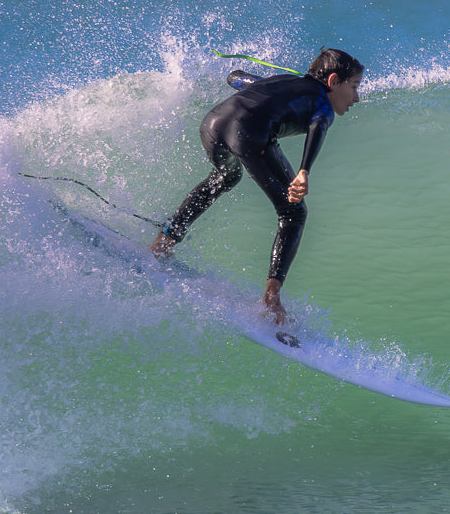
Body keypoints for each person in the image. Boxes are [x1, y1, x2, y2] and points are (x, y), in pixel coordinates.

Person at [150, 48, 365, 325]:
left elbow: (236, 77)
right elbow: (318, 127)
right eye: (354, 86)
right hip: (248, 133)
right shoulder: (322, 104)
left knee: (226, 177)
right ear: (333, 81)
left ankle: (163, 242)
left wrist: (241, 77)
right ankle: (271, 300)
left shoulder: (277, 82)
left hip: (212, 124)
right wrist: (304, 171)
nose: (356, 97)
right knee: (294, 212)